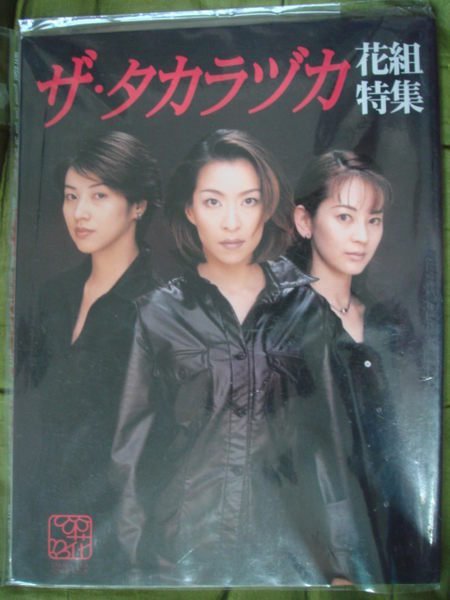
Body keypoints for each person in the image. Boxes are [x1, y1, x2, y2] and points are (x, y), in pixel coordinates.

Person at [111, 131, 383, 587]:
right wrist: (136, 561)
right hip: (179, 554)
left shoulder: (305, 308)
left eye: (249, 201)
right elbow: (131, 451)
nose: (232, 222)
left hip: (284, 550)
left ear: (266, 207)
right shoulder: (157, 314)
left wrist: (341, 562)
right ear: (190, 210)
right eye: (213, 202)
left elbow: (330, 443)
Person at [15, 130, 161, 583]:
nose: (79, 212)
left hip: (119, 528)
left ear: (138, 205)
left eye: (99, 195)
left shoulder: (161, 309)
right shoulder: (52, 296)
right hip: (35, 510)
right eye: (70, 196)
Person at [291, 150, 436, 582]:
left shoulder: (389, 322)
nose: (362, 236)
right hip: (327, 552)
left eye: (374, 220)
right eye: (344, 217)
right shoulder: (281, 326)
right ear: (304, 221)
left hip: (401, 536)